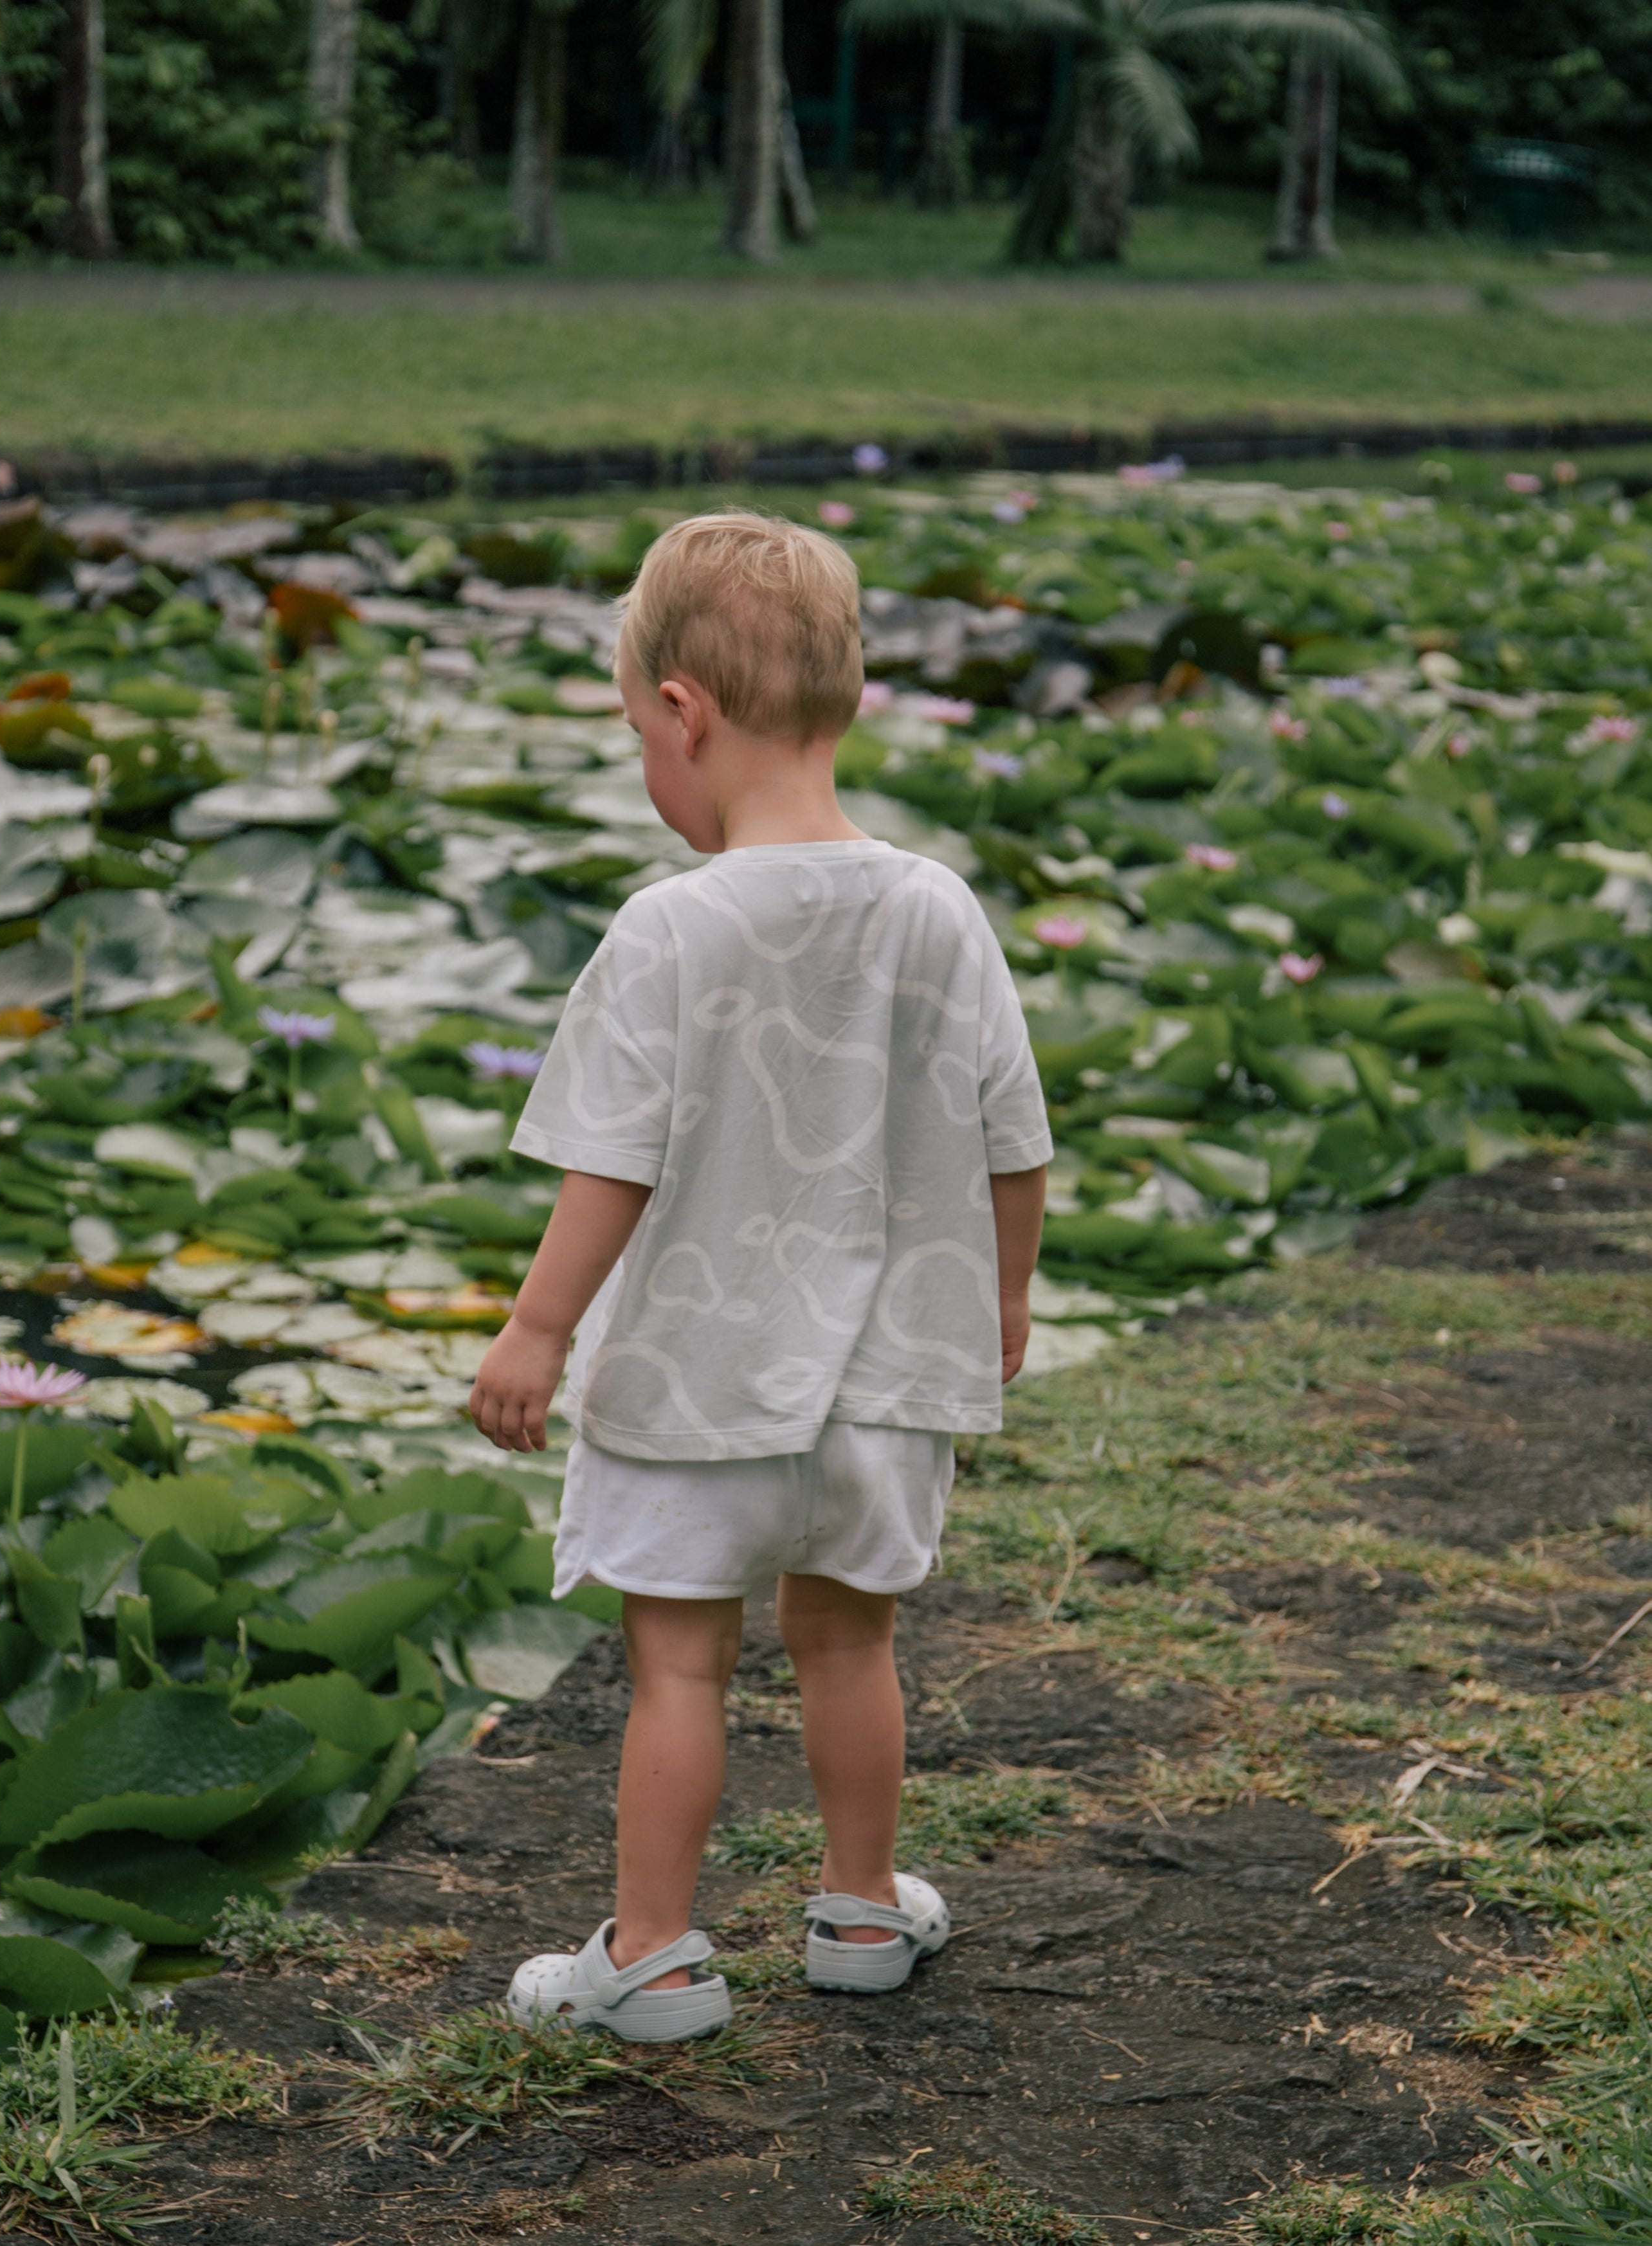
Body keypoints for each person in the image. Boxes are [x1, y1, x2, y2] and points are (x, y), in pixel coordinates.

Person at [467, 511, 1051, 2041]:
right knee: (851, 1639)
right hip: (884, 1382)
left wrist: (537, 1330)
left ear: (682, 710)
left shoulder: (669, 927)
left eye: (637, 742)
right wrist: (999, 1304)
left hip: (696, 1385)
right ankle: (862, 1913)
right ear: (847, 702)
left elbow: (612, 1161)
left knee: (679, 1665)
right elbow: (1012, 1136)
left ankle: (650, 1957)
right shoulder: (939, 906)